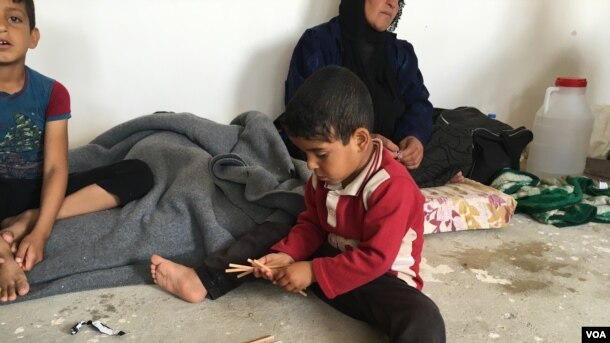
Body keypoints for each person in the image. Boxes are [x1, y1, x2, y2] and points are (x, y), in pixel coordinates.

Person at [152, 66, 445, 342]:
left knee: (424, 317)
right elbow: (313, 224)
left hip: (379, 283)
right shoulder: (322, 176)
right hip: (325, 268)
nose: (310, 164)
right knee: (272, 231)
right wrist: (289, 256)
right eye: (306, 154)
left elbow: (375, 259)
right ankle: (203, 280)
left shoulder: (392, 187)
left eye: (320, 153)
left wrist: (313, 272)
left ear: (359, 139)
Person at [0, 0, 154, 302]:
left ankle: (28, 217)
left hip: (37, 189)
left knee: (138, 172)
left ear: (33, 37)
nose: (2, 27)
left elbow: (57, 169)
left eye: (14, 18)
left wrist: (41, 228)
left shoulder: (52, 92)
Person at [278, 0, 463, 187]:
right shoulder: (318, 42)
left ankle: (390, 178)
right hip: (342, 149)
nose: (392, 4)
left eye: (398, 1)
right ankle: (405, 178)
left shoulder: (400, 52)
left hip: (393, 153)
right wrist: (362, 144)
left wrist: (414, 138)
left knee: (460, 134)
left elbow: (418, 103)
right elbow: (306, 113)